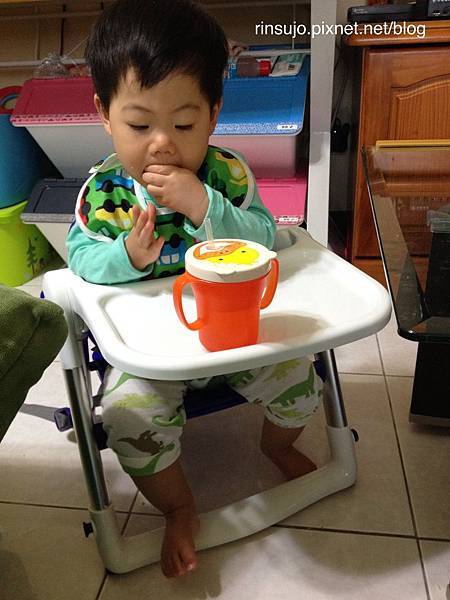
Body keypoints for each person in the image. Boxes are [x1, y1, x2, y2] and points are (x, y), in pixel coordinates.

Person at [67, 0, 323, 579]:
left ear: (213, 115)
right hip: (151, 352)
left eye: (184, 125)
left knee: (299, 377)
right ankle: (179, 508)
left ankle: (278, 446)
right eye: (139, 126)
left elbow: (266, 236)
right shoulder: (107, 194)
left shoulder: (225, 176)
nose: (162, 143)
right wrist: (127, 256)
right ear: (104, 114)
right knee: (126, 415)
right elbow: (81, 260)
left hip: (234, 332)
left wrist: (206, 206)